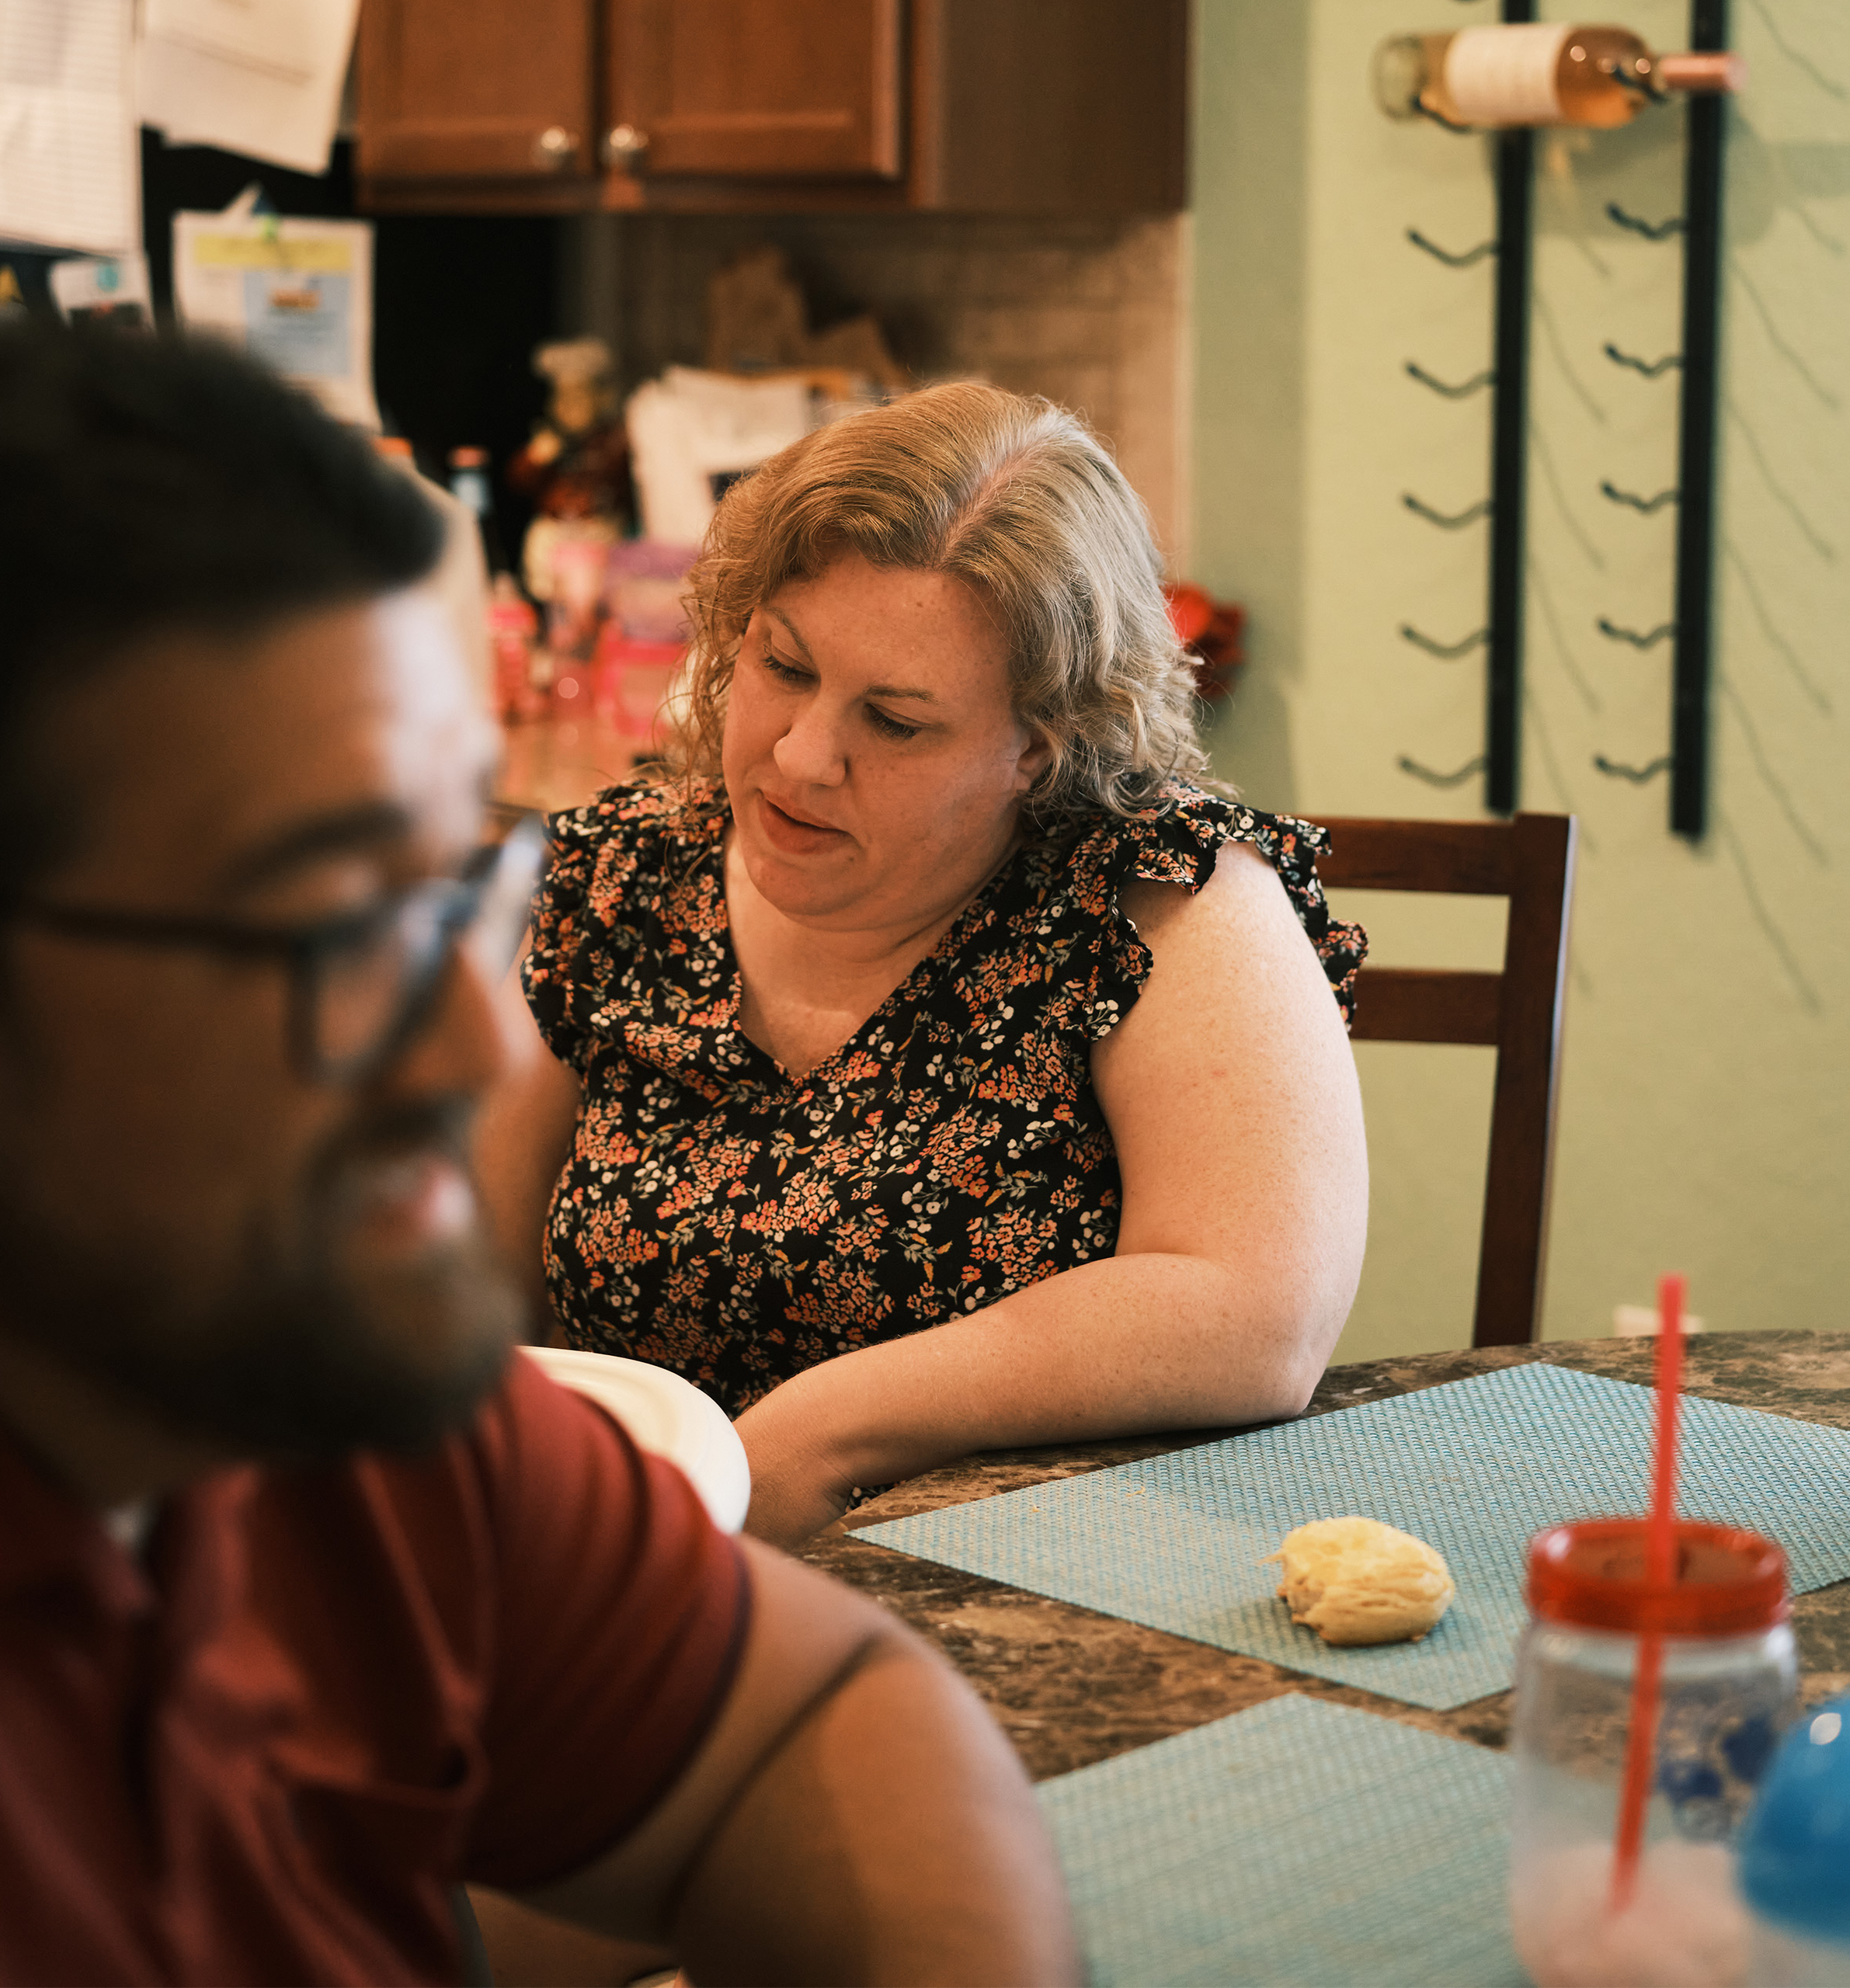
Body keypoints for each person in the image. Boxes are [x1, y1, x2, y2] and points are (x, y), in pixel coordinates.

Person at [0, 319, 1076, 1986]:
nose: (465, 1051)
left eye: (447, 898)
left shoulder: (257, 1347)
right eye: (325, 935)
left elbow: (817, 1724)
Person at [481, 382, 1373, 1547]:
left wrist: (819, 1433)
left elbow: (1256, 1312)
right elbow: (469, 1297)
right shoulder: (615, 881)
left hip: (1042, 1580)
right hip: (643, 1564)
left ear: (1038, 749)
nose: (803, 758)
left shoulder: (1153, 896)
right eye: (783, 666)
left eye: (895, 722)